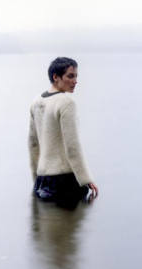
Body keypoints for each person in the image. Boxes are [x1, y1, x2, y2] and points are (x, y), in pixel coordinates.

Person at [28, 57, 99, 209]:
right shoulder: (67, 103)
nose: (75, 81)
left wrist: (36, 179)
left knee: (51, 224)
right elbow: (72, 147)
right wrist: (86, 179)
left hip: (42, 181)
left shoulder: (36, 102)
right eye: (70, 76)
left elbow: (33, 145)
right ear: (56, 77)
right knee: (71, 223)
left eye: (76, 76)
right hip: (65, 181)